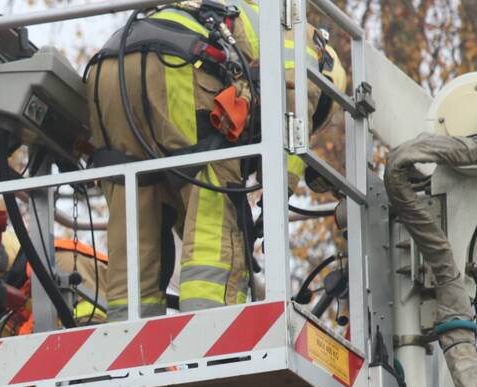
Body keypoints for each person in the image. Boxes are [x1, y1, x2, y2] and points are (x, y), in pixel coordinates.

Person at [85, 0, 346, 318]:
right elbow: (296, 102)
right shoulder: (298, 28)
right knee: (215, 204)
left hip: (110, 69)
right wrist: (279, 190)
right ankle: (214, 324)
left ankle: (128, 334)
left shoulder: (233, 10)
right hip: (181, 65)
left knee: (135, 209)